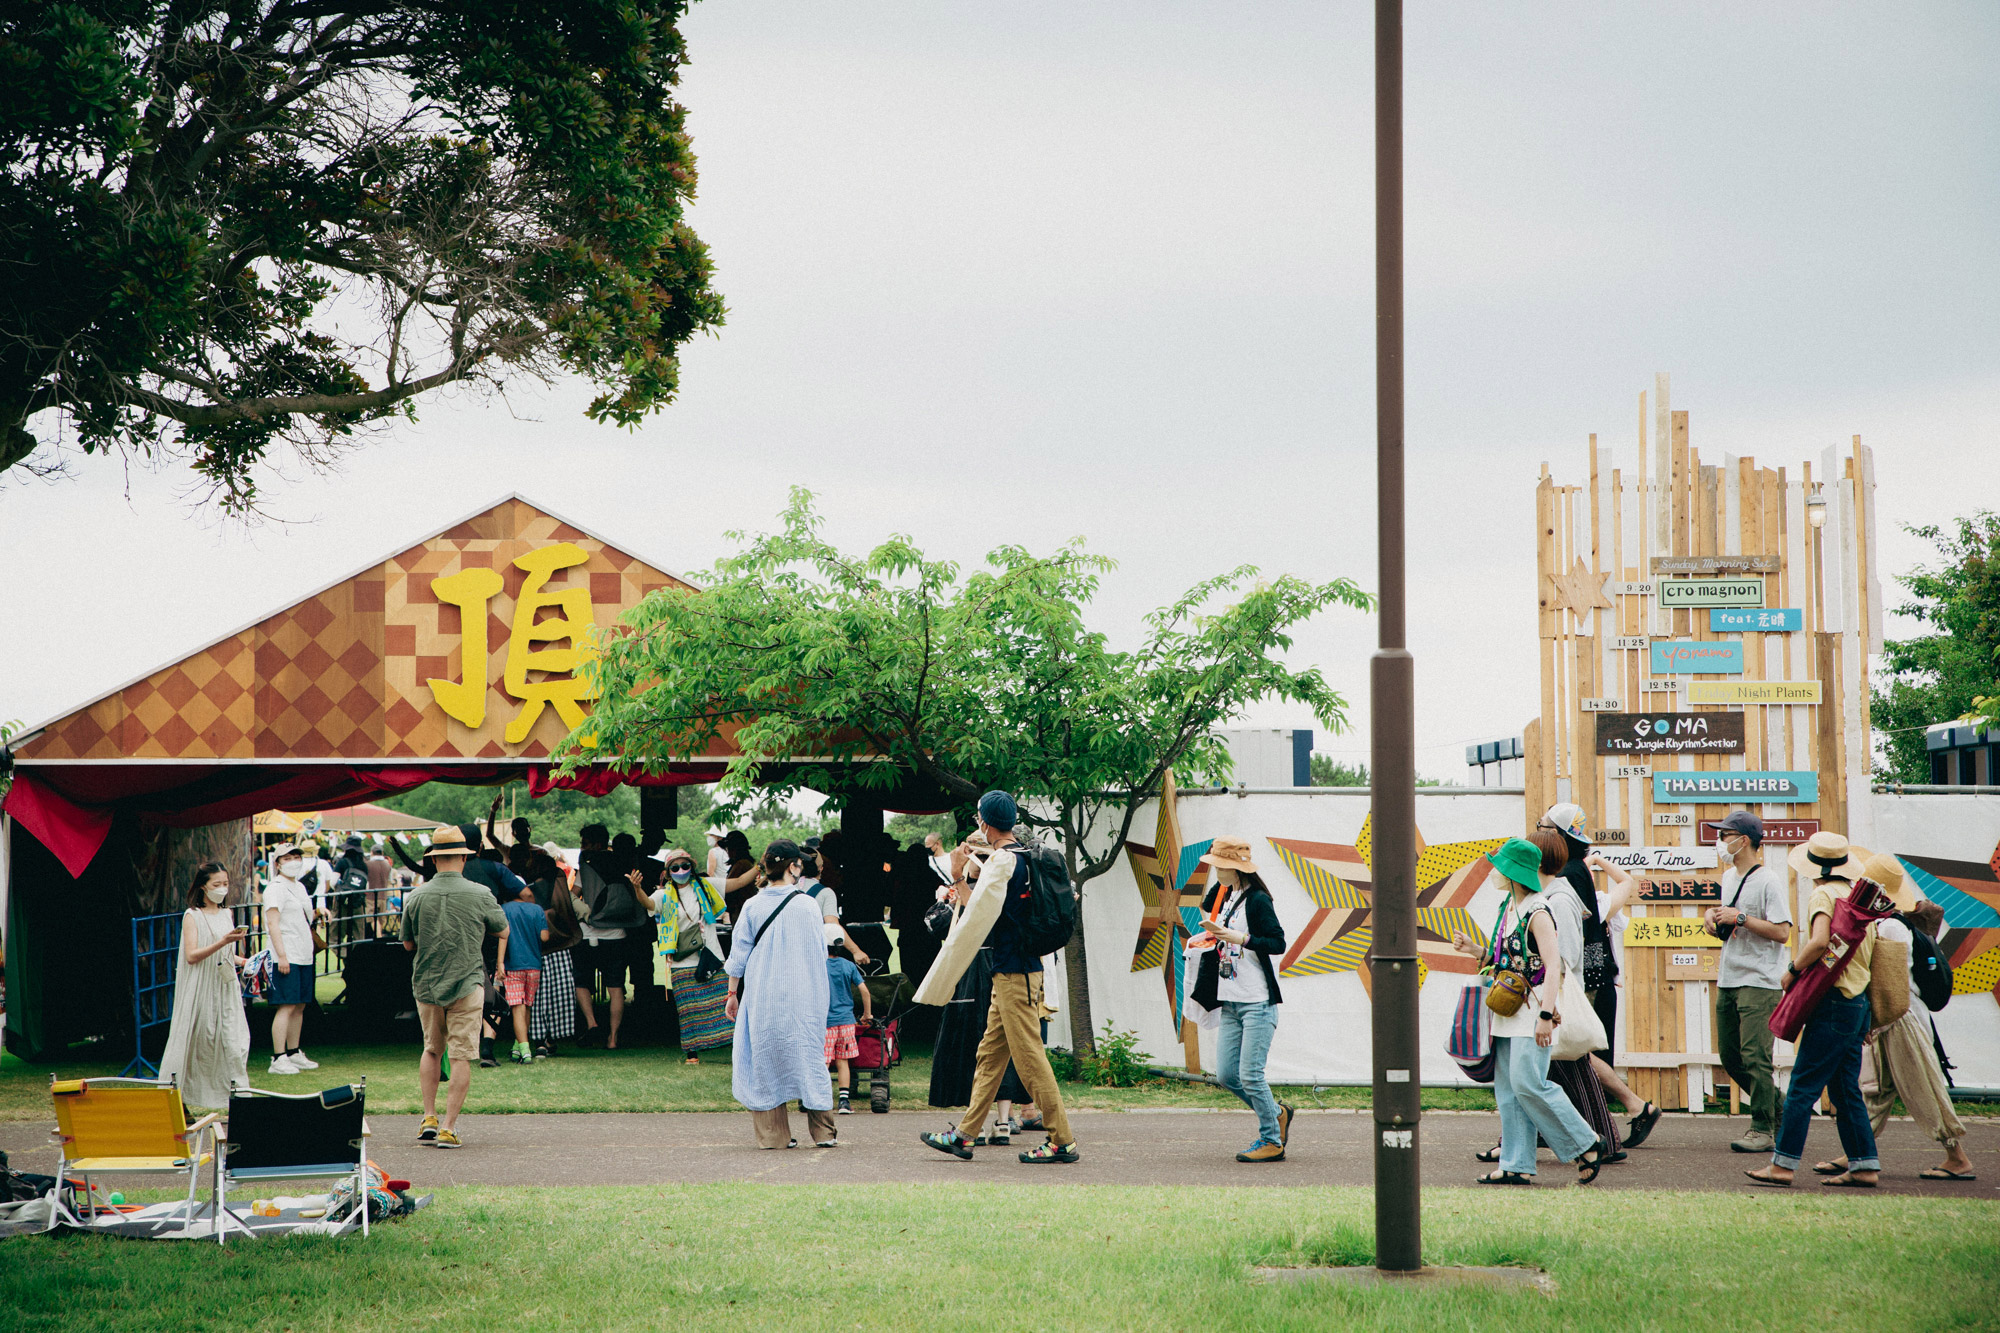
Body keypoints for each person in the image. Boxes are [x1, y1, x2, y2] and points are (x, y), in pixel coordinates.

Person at [922, 791, 1079, 1165]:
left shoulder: (1003, 862)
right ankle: (965, 1135)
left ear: (984, 822)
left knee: (1030, 1059)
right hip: (1017, 971)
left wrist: (957, 875)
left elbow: (977, 914)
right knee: (990, 1055)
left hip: (1014, 974)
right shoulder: (1020, 856)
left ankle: (1062, 1140)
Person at [1451, 835, 1608, 1186]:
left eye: (1500, 868)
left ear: (1514, 874)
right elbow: (1506, 961)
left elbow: (1554, 966)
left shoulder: (1539, 911)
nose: (1494, 873)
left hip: (1533, 1010)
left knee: (1529, 1084)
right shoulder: (1509, 908)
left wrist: (1546, 1016)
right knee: (1509, 1090)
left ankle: (1586, 1141)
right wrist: (1474, 950)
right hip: (1507, 1012)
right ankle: (1516, 1163)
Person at [1745, 834, 1884, 1188]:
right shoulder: (1858, 900)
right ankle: (1864, 1165)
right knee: (1844, 1089)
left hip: (1832, 1002)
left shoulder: (1824, 895)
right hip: (1857, 1004)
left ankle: (1782, 1164)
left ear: (1815, 868)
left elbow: (1820, 941)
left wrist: (1792, 970)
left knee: (1803, 1086)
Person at [1814, 887, 1976, 1182]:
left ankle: (1957, 1157)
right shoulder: (1894, 923)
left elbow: (1889, 983)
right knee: (1877, 1090)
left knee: (1924, 1088)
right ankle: (1858, 1153)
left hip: (1899, 1018)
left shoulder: (1889, 926)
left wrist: (1872, 1021)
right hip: (1894, 1016)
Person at [1538, 804, 1661, 1151]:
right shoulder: (1579, 871)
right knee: (1571, 1053)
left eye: (1542, 827)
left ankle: (1630, 1110)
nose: (1538, 832)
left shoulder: (1567, 877)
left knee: (1576, 1052)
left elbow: (1567, 941)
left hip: (1583, 982)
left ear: (1557, 834)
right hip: (1595, 977)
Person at [1185, 837, 1292, 1163]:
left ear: (1235, 868)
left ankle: (1271, 1140)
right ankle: (1277, 1114)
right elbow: (1208, 907)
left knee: (1250, 1075)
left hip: (1256, 1000)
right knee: (1227, 1076)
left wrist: (1240, 938)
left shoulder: (1258, 900)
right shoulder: (1224, 893)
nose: (1215, 870)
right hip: (1229, 999)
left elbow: (1277, 943)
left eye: (1220, 865)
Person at [401, 825, 509, 1149]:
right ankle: (448, 1127)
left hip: (427, 982)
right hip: (467, 981)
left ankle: (429, 1117)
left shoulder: (416, 896)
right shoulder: (481, 893)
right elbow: (502, 929)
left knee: (432, 1049)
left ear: (434, 860)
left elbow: (408, 944)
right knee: (461, 1056)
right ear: (464, 857)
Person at [725, 841, 837, 1149]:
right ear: (793, 867)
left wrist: (732, 993)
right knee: (808, 1057)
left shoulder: (752, 906)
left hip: (762, 995)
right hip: (803, 996)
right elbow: (818, 953)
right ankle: (824, 1132)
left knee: (765, 1059)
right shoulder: (807, 905)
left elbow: (738, 955)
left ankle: (773, 1135)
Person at [1698, 810, 1792, 1154]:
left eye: (1725, 835)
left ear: (1744, 840)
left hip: (1760, 979)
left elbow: (1782, 932)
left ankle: (1762, 1128)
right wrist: (1712, 916)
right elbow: (1731, 916)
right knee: (1731, 1056)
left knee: (1755, 1057)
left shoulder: (1769, 880)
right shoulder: (1728, 877)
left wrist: (1741, 918)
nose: (1720, 841)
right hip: (1729, 975)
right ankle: (1782, 1108)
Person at [157, 862, 250, 1108]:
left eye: (225, 884)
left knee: (234, 1040)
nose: (222, 889)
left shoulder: (227, 914)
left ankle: (238, 1096)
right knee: (194, 1041)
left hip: (224, 985)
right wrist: (223, 942)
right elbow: (192, 955)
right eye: (216, 884)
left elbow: (226, 953)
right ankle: (176, 1098)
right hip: (200, 986)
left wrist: (245, 961)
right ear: (203, 887)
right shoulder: (193, 915)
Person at [573, 822, 647, 1049]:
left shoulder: (587, 867)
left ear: (597, 844)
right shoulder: (625, 863)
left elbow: (572, 895)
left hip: (589, 933)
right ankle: (613, 1038)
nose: (582, 847)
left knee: (581, 982)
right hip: (617, 933)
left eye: (585, 843)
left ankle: (592, 1024)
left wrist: (584, 912)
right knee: (616, 988)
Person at [658, 849, 731, 1065]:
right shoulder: (663, 895)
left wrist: (759, 868)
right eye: (675, 867)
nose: (681, 871)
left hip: (710, 955)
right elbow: (649, 904)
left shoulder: (706, 886)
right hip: (681, 960)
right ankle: (692, 1053)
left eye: (685, 866)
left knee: (722, 1003)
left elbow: (736, 883)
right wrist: (635, 889)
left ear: (692, 867)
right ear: (668, 872)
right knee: (688, 1009)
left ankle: (733, 1046)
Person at [262, 842, 322, 1075]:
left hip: (303, 953)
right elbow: (273, 923)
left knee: (299, 1005)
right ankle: (278, 1057)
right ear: (277, 864)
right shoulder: (275, 888)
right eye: (287, 858)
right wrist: (282, 955)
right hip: (285, 953)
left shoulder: (299, 886)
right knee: (286, 1005)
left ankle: (294, 1051)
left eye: (296, 857)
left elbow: (304, 915)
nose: (293, 862)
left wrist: (320, 912)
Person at [527, 850, 581, 1058]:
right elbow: (566, 912)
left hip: (534, 949)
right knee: (559, 994)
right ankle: (552, 1037)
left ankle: (538, 1039)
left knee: (536, 995)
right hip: (560, 947)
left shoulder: (529, 890)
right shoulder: (559, 884)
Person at [825, 925, 873, 1115]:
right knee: (842, 1061)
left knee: (823, 1062)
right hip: (846, 1022)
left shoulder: (818, 964)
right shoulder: (848, 965)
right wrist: (867, 1015)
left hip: (825, 1023)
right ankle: (844, 1102)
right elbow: (865, 992)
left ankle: (822, 1099)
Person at [501, 882, 550, 1065]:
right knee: (527, 1007)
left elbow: (501, 934)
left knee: (517, 1008)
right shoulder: (537, 909)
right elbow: (544, 936)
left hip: (513, 964)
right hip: (534, 965)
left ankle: (525, 1050)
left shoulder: (504, 909)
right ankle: (517, 1047)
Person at [719, 830, 758, 920]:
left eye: (730, 848)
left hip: (741, 911)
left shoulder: (741, 865)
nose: (728, 852)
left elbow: (729, 889)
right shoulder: (743, 864)